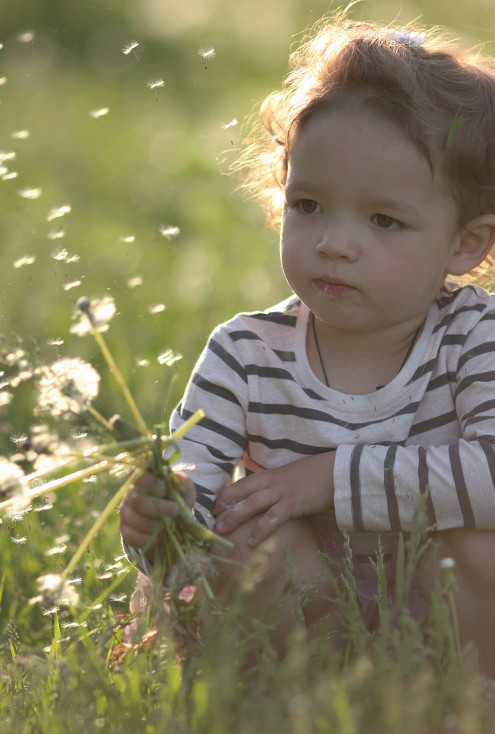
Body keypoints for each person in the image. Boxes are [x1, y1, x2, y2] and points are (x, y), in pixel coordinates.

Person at [120, 14, 495, 674]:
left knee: (477, 544)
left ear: (464, 243)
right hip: (304, 615)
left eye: (383, 219)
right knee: (249, 546)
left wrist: (329, 477)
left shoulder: (472, 336)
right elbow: (197, 502)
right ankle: (295, 697)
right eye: (309, 205)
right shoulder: (243, 353)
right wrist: (160, 522)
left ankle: (465, 693)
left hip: (439, 616)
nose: (333, 242)